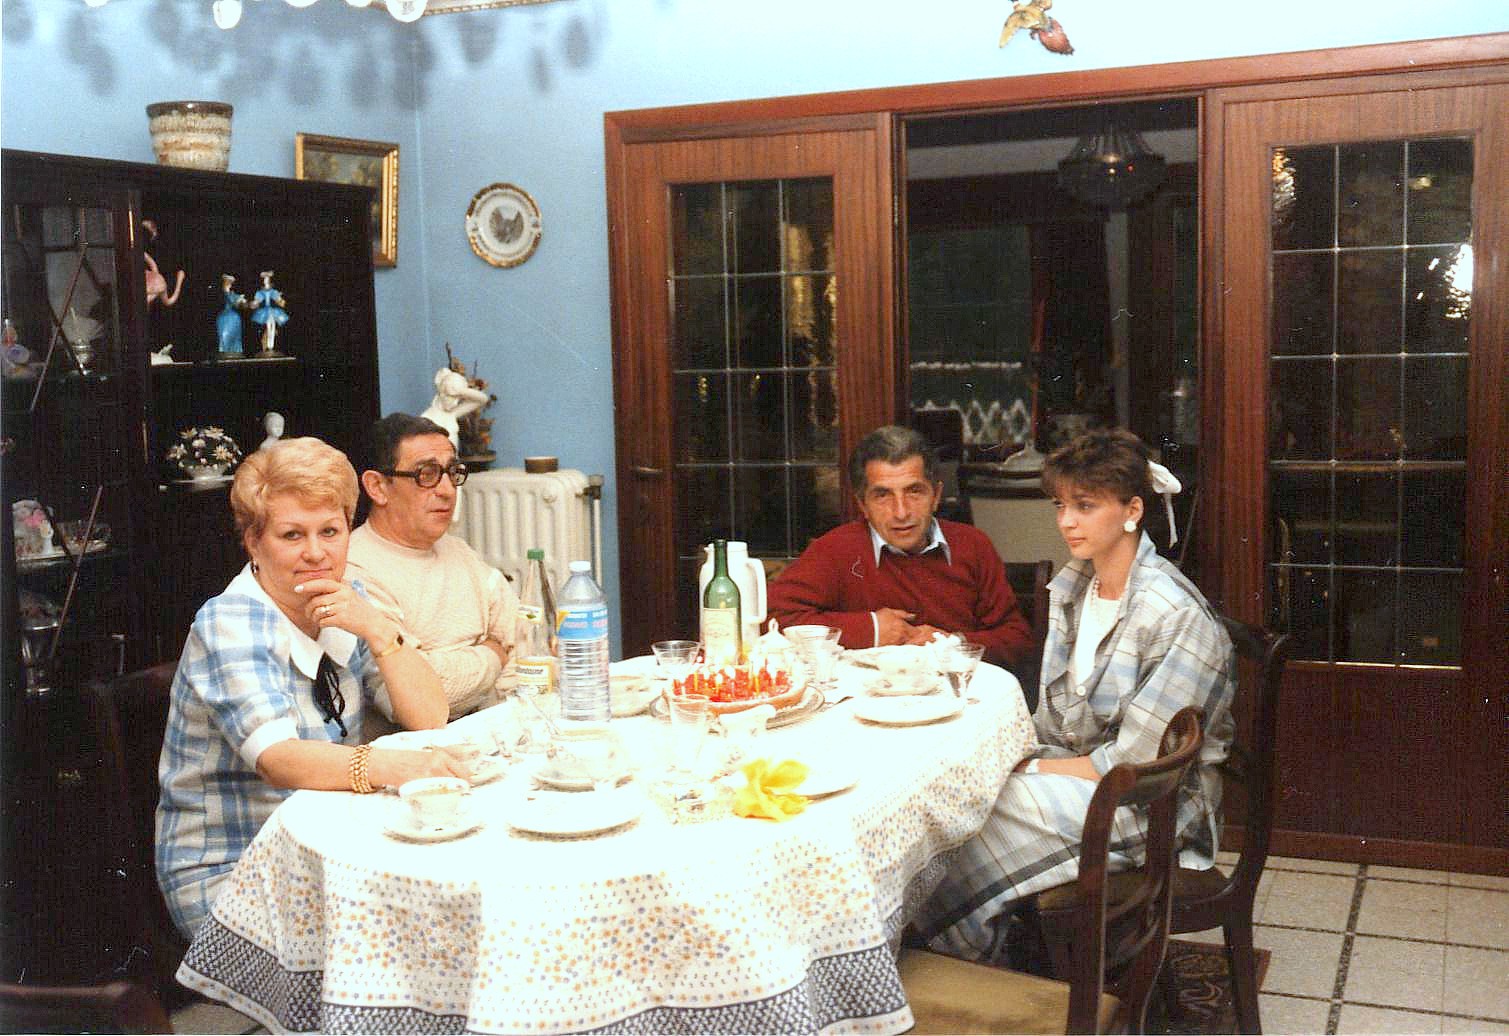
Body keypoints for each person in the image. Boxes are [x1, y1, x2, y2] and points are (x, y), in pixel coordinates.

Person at [914, 427, 1235, 961]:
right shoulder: (1076, 586)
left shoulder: (1174, 615)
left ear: (1133, 510)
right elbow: (1053, 722)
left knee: (974, 820)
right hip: (1088, 779)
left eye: (1085, 506)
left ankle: (964, 960)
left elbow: (1136, 764)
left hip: (1151, 810)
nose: (1066, 521)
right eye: (1061, 505)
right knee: (960, 797)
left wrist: (1033, 769)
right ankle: (974, 952)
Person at [155, 437, 462, 939]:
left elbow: (429, 716)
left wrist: (378, 629)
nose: (316, 553)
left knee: (444, 905)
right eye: (292, 535)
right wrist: (396, 766)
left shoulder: (347, 600)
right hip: (235, 871)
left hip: (328, 845)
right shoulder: (230, 620)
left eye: (330, 531)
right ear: (253, 542)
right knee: (415, 929)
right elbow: (279, 760)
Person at [766, 424, 1033, 667]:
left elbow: (1018, 640)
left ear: (936, 496)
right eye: (882, 495)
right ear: (862, 505)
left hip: (956, 694)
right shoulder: (834, 550)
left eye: (914, 491)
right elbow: (771, 619)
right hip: (867, 696)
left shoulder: (973, 545)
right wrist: (871, 629)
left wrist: (952, 643)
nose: (901, 512)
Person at [345, 413, 519, 735]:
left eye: (452, 473)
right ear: (377, 487)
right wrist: (493, 654)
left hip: (489, 733)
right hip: (412, 750)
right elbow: (420, 695)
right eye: (427, 474)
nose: (448, 490)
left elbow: (521, 639)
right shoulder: (355, 569)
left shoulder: (459, 551)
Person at [420, 366, 491, 450]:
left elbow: (483, 399)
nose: (455, 403)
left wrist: (461, 391)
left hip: (454, 458)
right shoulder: (426, 418)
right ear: (442, 393)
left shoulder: (452, 414)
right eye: (452, 397)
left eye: (458, 398)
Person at [249, 270, 289, 355]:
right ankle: (267, 345)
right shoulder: (260, 292)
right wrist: (253, 304)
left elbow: (279, 301)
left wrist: (281, 300)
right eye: (264, 279)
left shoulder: (273, 291)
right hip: (264, 311)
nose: (265, 281)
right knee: (267, 327)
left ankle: (271, 345)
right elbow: (256, 302)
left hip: (272, 311)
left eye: (267, 279)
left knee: (272, 326)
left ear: (270, 280)